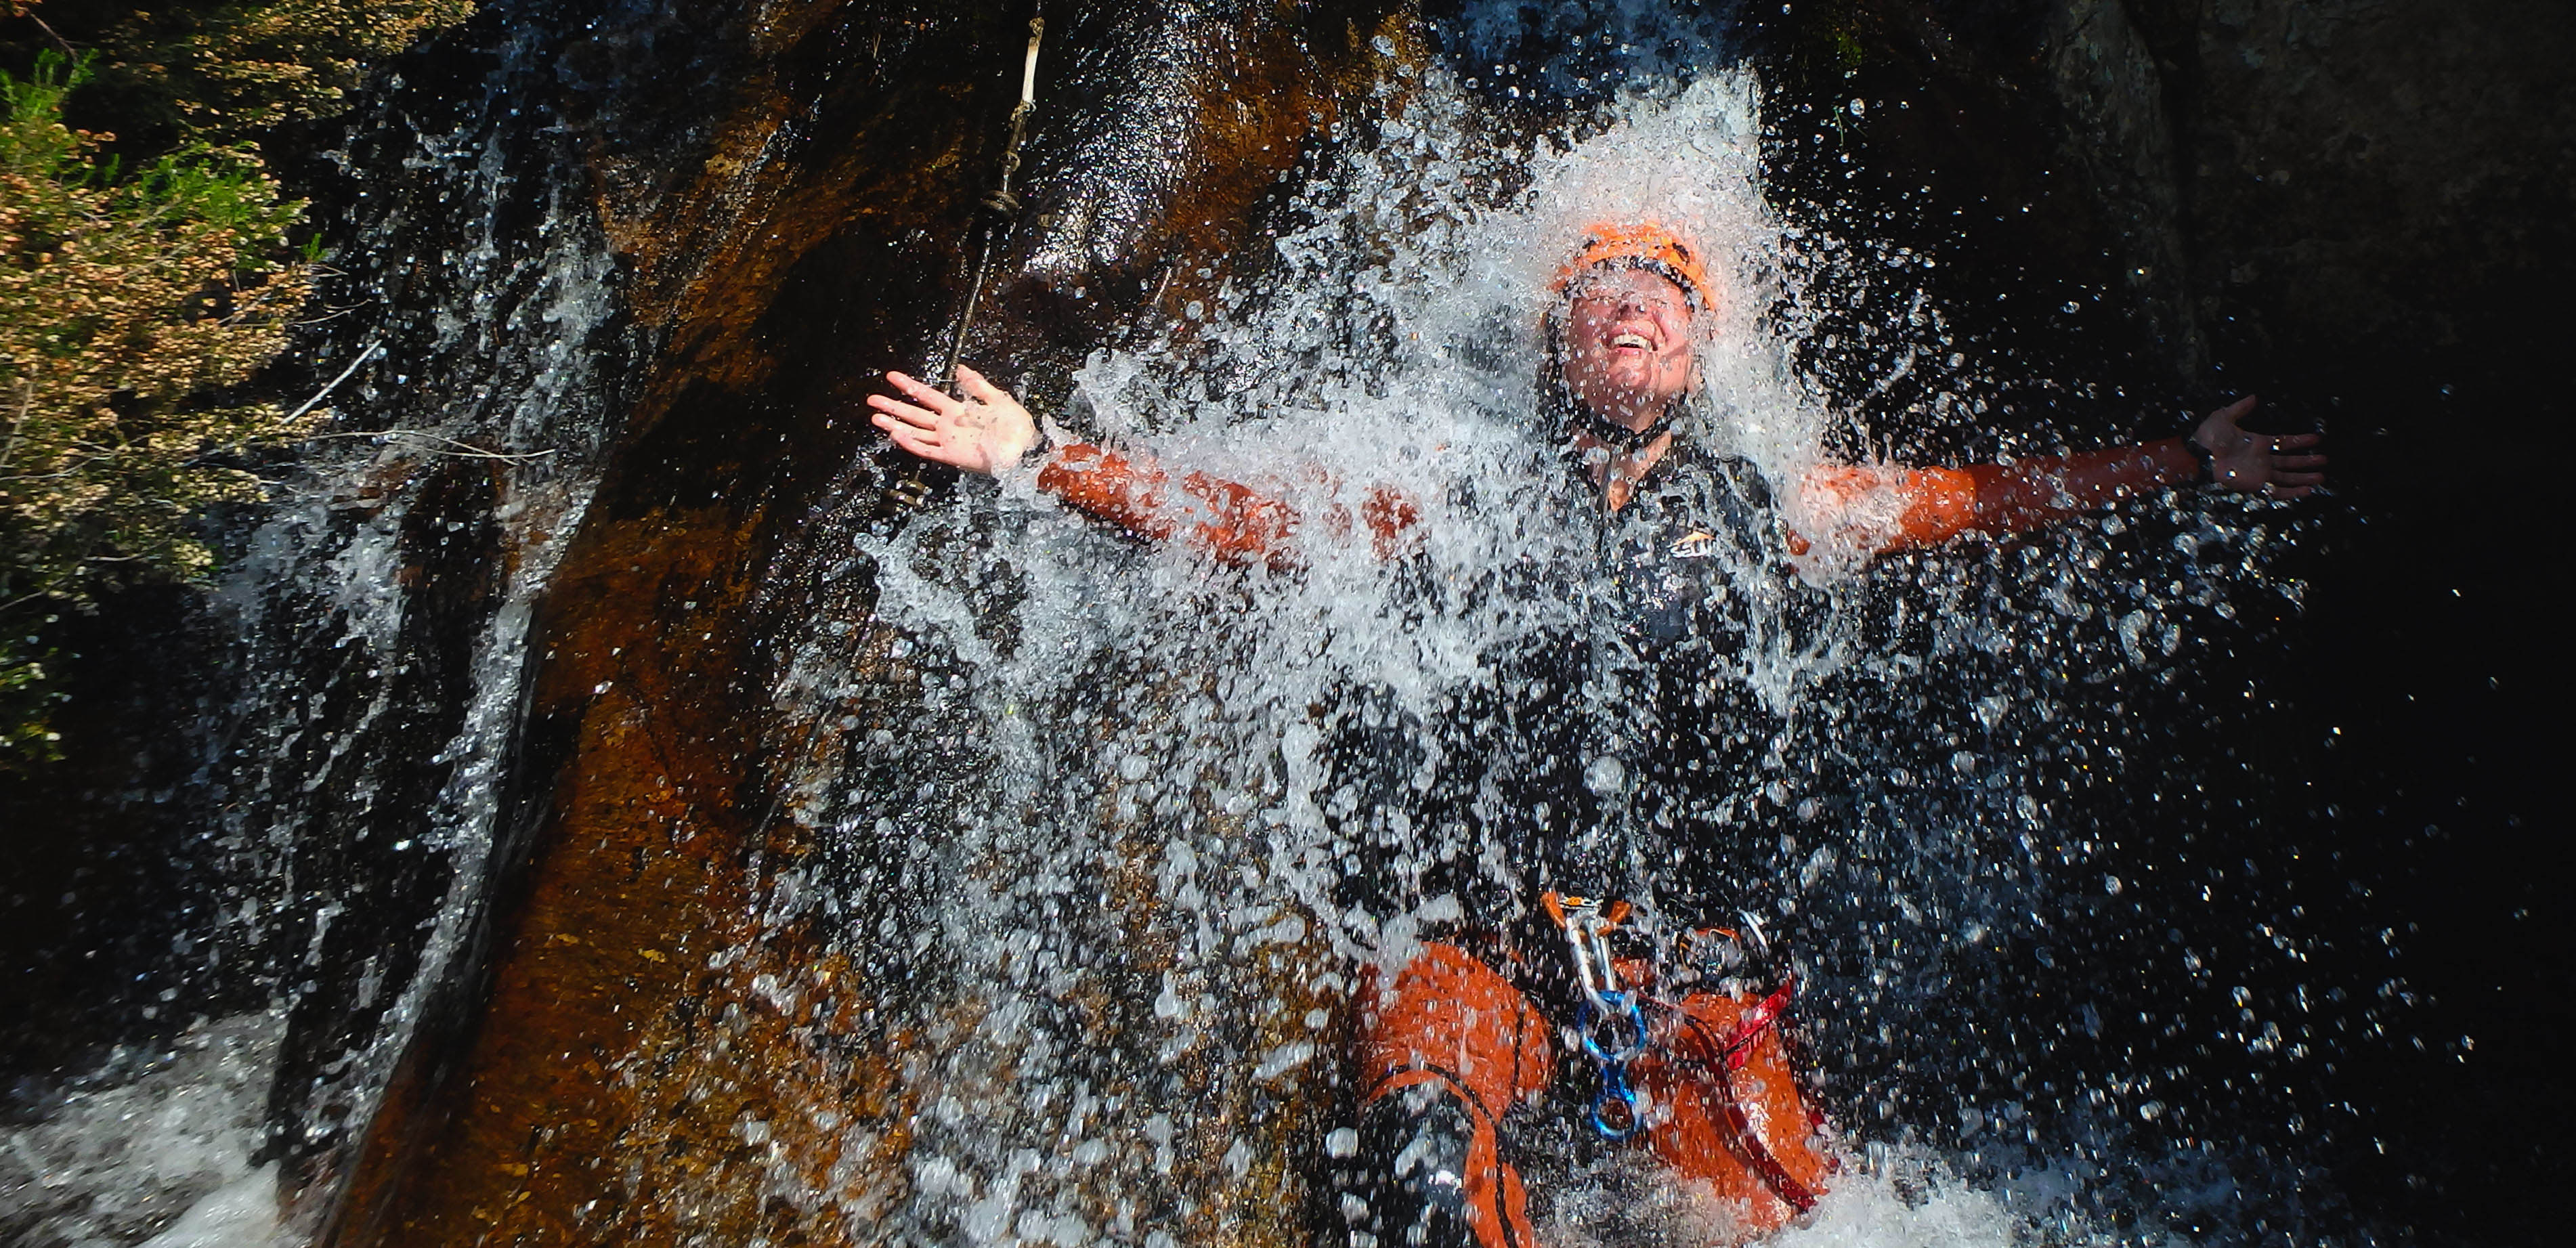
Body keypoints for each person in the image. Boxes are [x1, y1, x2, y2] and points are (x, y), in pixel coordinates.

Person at [866, 222, 2324, 1247]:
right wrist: (1046, 459)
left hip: (1686, 951)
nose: (1636, 304)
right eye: (1604, 290)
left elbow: (1981, 499)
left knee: (1791, 1222)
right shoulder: (1455, 489)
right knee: (1423, 1172)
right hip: (1487, 935)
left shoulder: (1775, 507)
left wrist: (2185, 462)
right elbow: (1260, 523)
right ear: (1558, 335)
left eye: (1668, 296)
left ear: (1698, 349)